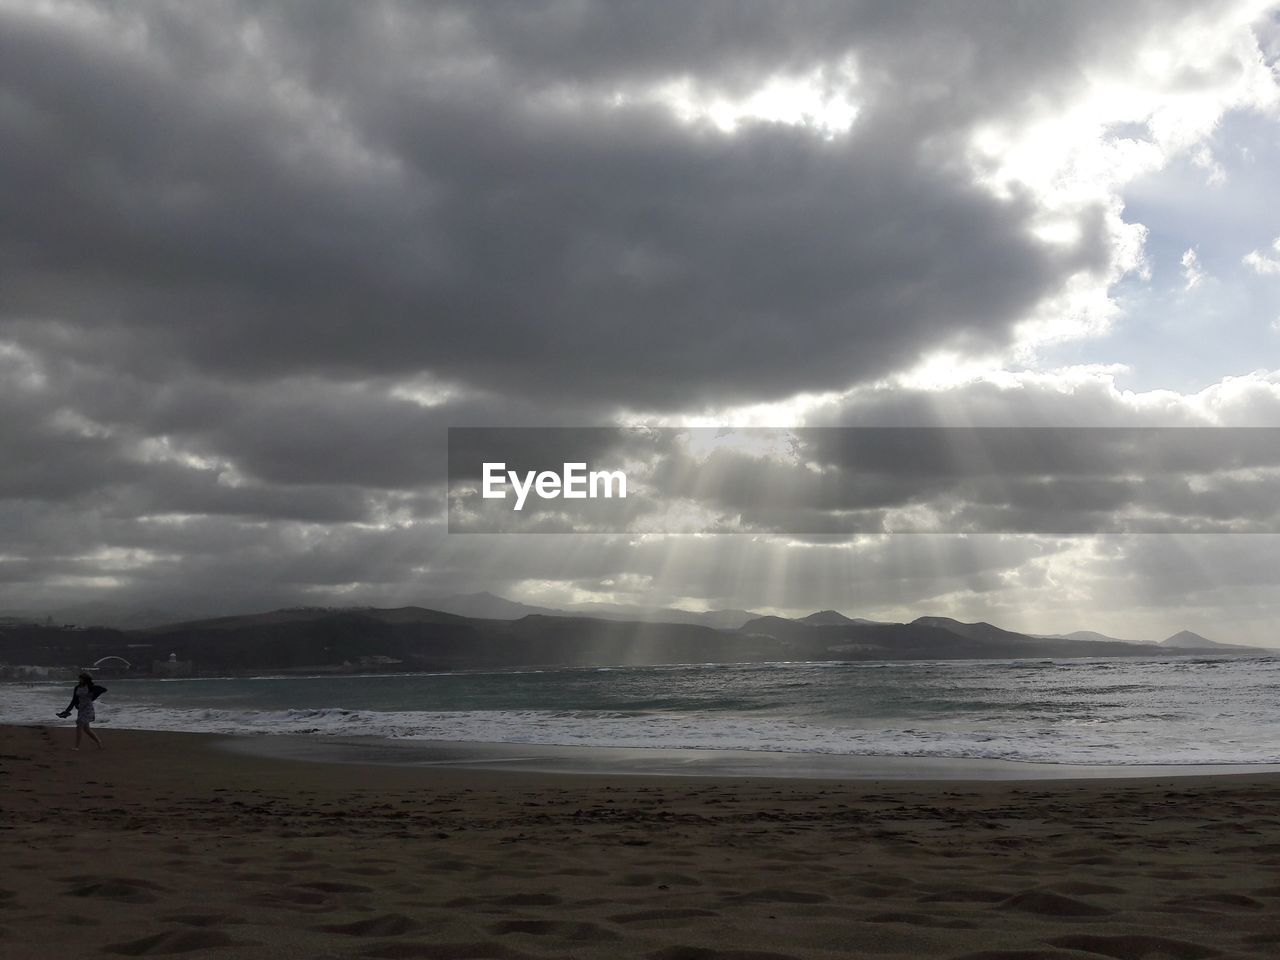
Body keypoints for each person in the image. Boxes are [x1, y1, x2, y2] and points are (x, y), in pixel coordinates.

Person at [57, 672, 107, 750]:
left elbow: (104, 689)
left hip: (88, 709)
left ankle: (77, 746)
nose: (80, 679)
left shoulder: (91, 687)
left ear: (86, 679)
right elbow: (73, 700)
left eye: (82, 678)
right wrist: (67, 711)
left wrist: (93, 696)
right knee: (86, 729)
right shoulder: (77, 687)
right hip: (81, 709)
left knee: (79, 725)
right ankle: (98, 741)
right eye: (80, 678)